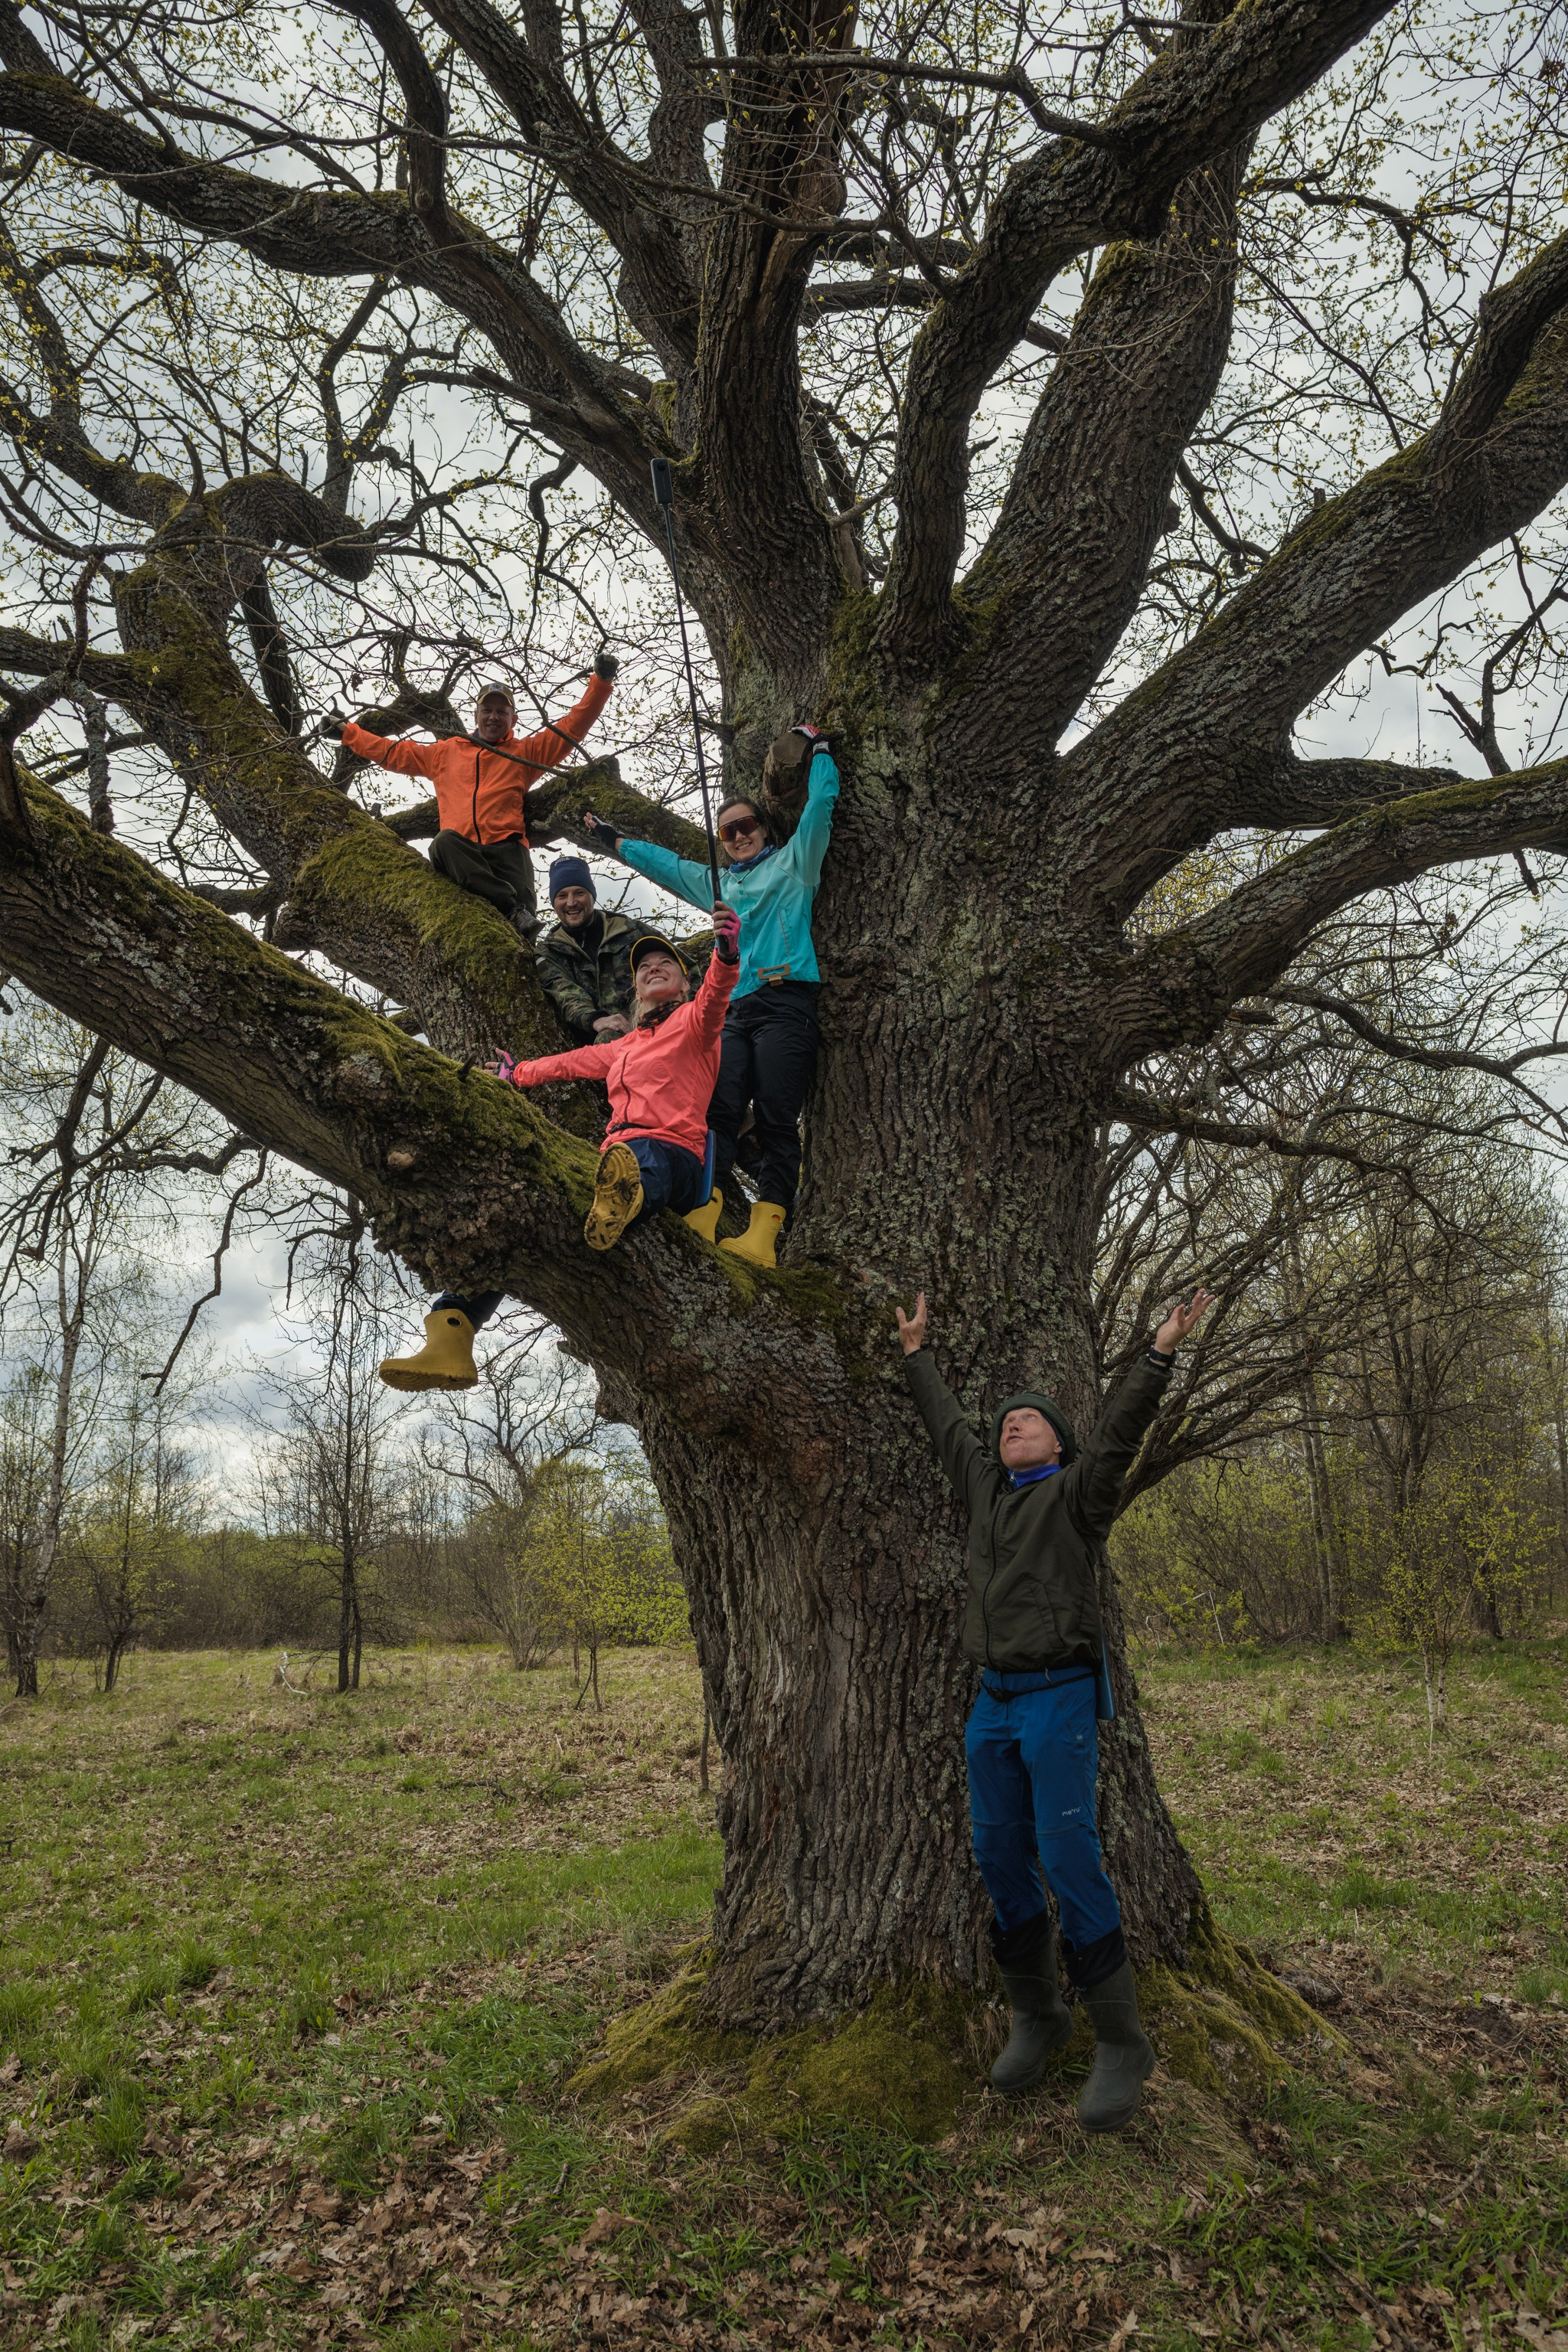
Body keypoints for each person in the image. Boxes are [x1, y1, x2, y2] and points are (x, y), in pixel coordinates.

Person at [894, 1284, 1217, 2133]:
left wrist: (1158, 1353)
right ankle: (1037, 2013)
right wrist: (916, 1356)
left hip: (1059, 1698)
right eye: (1004, 1421)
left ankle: (1121, 2038)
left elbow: (1117, 1437)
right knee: (998, 1855)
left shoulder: (1077, 1497)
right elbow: (948, 1430)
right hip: (991, 1705)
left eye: (1028, 1419)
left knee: (1067, 1855)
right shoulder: (986, 1492)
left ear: (1057, 1441)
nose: (1011, 1425)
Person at [377, 912, 740, 1393]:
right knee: (520, 1213)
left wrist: (726, 954)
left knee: (641, 1159)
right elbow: (571, 1063)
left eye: (664, 963)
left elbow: (716, 995)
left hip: (676, 1159)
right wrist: (516, 1074)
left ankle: (625, 1195)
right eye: (644, 966)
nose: (653, 967)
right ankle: (452, 1330)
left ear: (682, 982)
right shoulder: (625, 1045)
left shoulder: (695, 1024)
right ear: (634, 989)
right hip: (617, 1154)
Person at [583, 725, 838, 1268]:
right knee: (717, 1110)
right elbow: (668, 867)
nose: (738, 837)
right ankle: (707, 1203)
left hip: (786, 999)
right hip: (735, 1008)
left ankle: (764, 1233)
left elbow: (820, 806)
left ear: (764, 830)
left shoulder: (795, 863)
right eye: (727, 833)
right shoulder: (722, 885)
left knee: (774, 1116)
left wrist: (819, 751)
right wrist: (613, 839)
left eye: (745, 827)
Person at [325, 656, 618, 938]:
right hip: (462, 854)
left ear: (513, 719)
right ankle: (510, 908)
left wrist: (601, 683)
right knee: (443, 842)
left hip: (508, 853)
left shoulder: (524, 753)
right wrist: (348, 733)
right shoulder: (446, 752)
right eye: (487, 710)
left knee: (523, 944)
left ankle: (519, 920)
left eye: (502, 712)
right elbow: (393, 754)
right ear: (476, 715)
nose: (494, 717)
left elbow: (570, 728)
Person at [534, 854, 668, 1047]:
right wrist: (595, 1019)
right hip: (604, 1040)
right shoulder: (549, 951)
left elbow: (682, 969)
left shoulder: (632, 930)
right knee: (608, 1038)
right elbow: (564, 992)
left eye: (579, 893)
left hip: (658, 1025)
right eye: (562, 896)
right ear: (554, 902)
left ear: (592, 896)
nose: (571, 902)